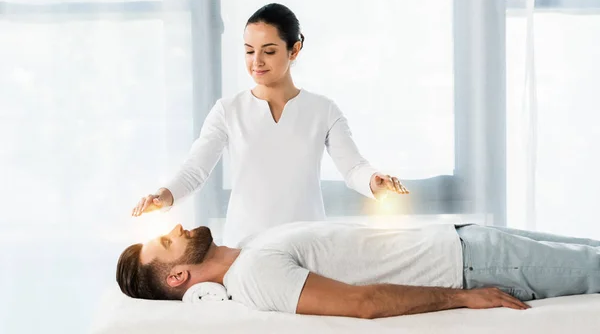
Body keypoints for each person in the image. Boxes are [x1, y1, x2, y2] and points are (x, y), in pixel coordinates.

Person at [130, 3, 409, 247]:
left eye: (269, 51)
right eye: (249, 51)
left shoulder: (322, 110)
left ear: (294, 50)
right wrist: (162, 197)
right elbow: (194, 171)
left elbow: (353, 167)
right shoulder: (228, 111)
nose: (256, 62)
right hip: (245, 247)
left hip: (308, 245)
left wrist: (374, 181)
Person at [116, 221, 600, 319]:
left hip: (468, 237)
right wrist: (462, 297)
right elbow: (361, 304)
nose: (175, 227)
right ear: (178, 277)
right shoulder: (255, 277)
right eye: (167, 242)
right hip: (474, 263)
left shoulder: (247, 247)